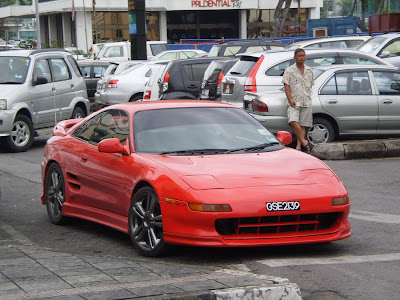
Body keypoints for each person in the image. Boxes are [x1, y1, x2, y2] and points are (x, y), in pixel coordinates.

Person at [282, 48, 314, 153]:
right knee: (293, 121)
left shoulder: (309, 70)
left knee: (303, 125)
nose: (301, 57)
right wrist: (290, 98)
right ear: (295, 58)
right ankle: (305, 142)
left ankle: (299, 147)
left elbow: (311, 85)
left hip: (306, 100)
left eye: (303, 55)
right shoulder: (289, 70)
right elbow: (286, 85)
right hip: (294, 100)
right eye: (299, 56)